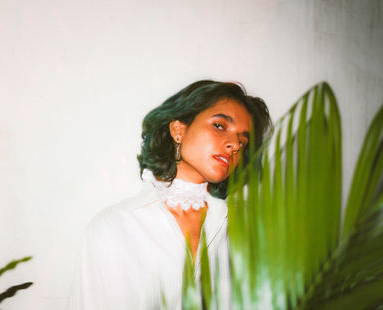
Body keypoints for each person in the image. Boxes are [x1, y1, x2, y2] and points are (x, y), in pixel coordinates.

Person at [67, 80, 271, 309]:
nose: (234, 144)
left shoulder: (244, 228)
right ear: (178, 130)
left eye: (242, 141)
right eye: (220, 126)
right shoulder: (113, 228)